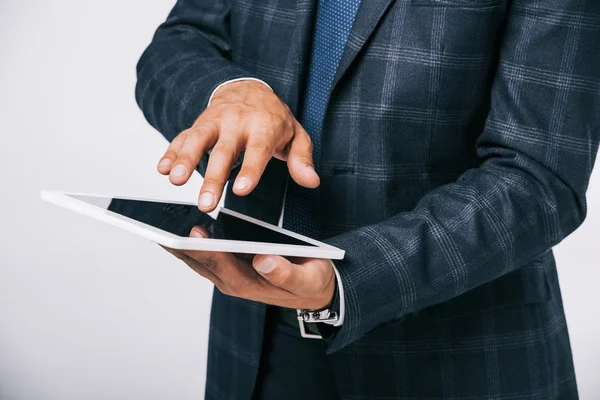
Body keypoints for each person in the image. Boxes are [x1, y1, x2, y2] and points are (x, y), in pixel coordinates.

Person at [131, 0, 600, 398]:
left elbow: (538, 177)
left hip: (461, 359)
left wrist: (348, 279)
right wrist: (232, 92)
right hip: (254, 347)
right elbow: (180, 41)